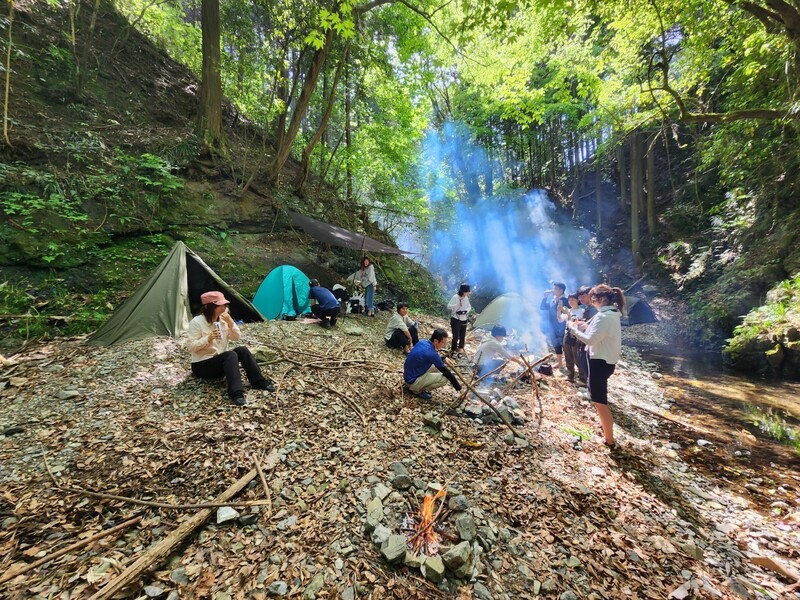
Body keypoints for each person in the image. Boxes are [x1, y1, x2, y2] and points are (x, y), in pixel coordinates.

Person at [187, 291, 275, 406]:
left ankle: (258, 381)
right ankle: (236, 393)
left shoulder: (223, 320)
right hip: (202, 365)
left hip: (220, 362)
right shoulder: (197, 322)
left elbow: (236, 337)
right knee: (230, 355)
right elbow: (191, 347)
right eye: (220, 305)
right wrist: (208, 338)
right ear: (209, 307)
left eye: (225, 305)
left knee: (242, 350)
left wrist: (230, 323)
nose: (224, 308)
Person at [566, 284, 625, 448]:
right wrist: (585, 327)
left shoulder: (603, 316)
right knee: (598, 398)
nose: (591, 302)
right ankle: (605, 426)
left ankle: (609, 440)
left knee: (599, 401)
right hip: (607, 361)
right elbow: (599, 332)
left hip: (599, 362)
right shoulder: (611, 313)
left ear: (602, 299)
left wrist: (573, 329)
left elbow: (590, 340)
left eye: (593, 298)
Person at [403, 328, 462, 400]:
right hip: (412, 382)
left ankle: (417, 386)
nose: (444, 345)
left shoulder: (423, 341)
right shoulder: (432, 353)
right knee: (445, 379)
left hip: (408, 376)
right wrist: (458, 387)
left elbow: (432, 359)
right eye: (443, 342)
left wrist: (443, 358)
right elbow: (447, 373)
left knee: (437, 367)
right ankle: (418, 391)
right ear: (436, 341)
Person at [559, 293, 585, 383]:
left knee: (577, 357)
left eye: (573, 300)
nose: (571, 302)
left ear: (578, 300)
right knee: (568, 356)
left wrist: (569, 315)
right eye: (569, 300)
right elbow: (559, 319)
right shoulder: (568, 311)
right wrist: (559, 310)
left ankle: (583, 378)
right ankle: (570, 375)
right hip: (567, 335)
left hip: (577, 336)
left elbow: (578, 323)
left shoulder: (582, 311)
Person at [540, 282, 567, 368]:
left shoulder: (565, 300)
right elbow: (542, 307)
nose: (553, 290)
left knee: (565, 344)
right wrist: (545, 297)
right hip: (553, 326)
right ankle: (560, 363)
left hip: (562, 325)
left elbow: (567, 313)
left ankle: (568, 362)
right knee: (556, 344)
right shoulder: (553, 300)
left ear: (561, 290)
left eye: (555, 289)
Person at [575, 285, 597, 386]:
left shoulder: (594, 309)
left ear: (590, 295)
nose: (581, 299)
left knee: (588, 365)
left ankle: (592, 390)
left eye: (583, 296)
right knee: (584, 363)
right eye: (579, 297)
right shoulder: (587, 308)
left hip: (589, 342)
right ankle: (590, 387)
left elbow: (594, 328)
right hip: (585, 340)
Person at [446, 284, 472, 356]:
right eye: (467, 292)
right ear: (463, 291)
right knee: (456, 336)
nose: (468, 293)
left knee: (462, 335)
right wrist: (457, 305)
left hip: (464, 318)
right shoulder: (455, 297)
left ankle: (460, 348)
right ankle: (453, 349)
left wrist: (465, 311)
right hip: (456, 318)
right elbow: (449, 307)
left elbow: (469, 307)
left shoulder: (466, 298)